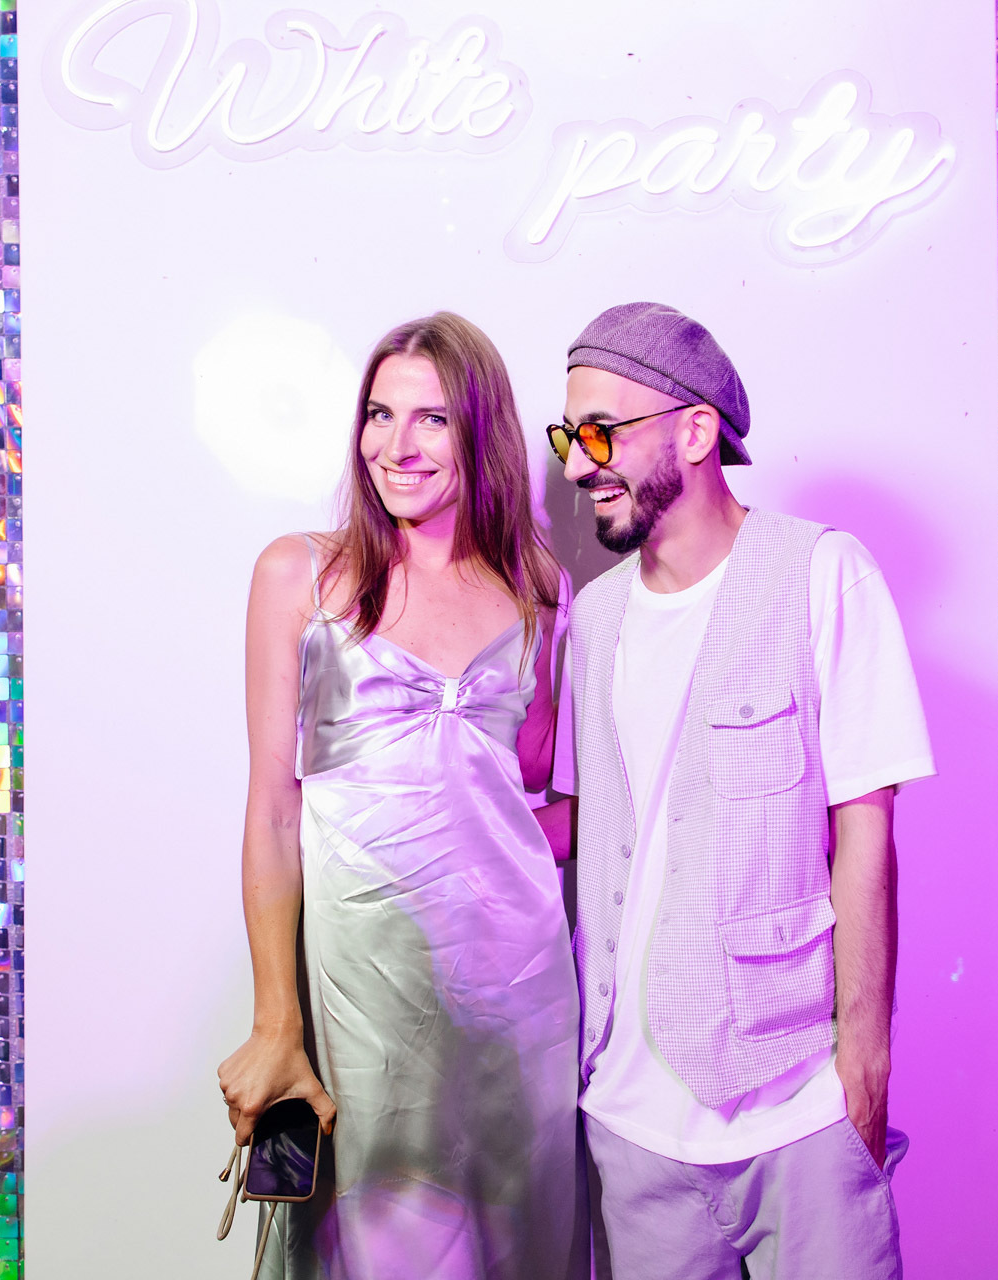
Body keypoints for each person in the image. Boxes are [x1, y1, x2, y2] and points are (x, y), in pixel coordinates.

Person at [545, 302, 934, 1278]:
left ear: (696, 430)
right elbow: (588, 830)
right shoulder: (595, 618)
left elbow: (867, 834)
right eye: (569, 435)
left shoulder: (823, 573)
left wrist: (864, 1065)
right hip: (629, 1119)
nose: (579, 463)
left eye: (601, 432)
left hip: (795, 1105)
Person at [216, 312, 586, 1279]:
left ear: (480, 432)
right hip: (363, 986)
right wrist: (275, 1018)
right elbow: (273, 813)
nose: (396, 446)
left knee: (519, 1242)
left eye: (431, 419)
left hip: (518, 990)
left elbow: (531, 805)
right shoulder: (302, 575)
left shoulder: (540, 591)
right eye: (380, 414)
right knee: (380, 1240)